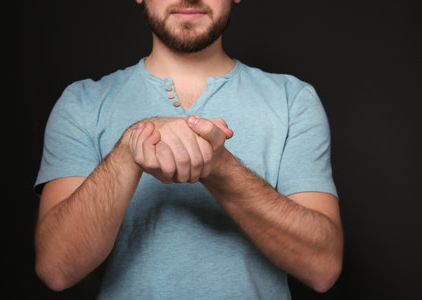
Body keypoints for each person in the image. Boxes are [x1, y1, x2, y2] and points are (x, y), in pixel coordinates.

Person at [34, 0, 344, 298]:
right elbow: (56, 270)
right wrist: (130, 148)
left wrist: (221, 168)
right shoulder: (81, 104)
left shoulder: (293, 101)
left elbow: (322, 269)